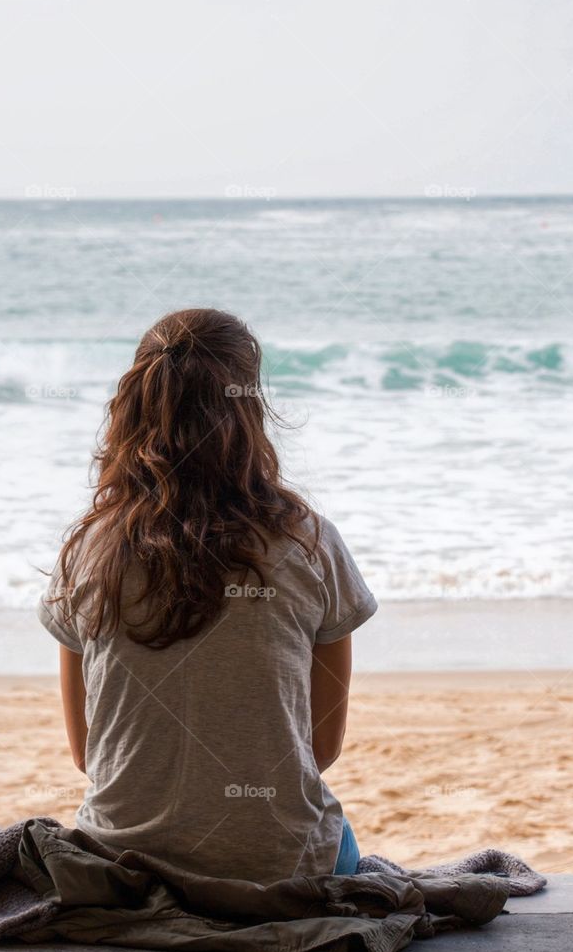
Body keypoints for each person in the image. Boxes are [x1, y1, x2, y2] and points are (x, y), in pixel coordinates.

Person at [38, 308, 377, 886]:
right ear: (251, 408)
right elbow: (320, 749)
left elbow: (88, 757)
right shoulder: (308, 542)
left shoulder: (91, 550)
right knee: (337, 836)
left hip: (118, 859)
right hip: (278, 864)